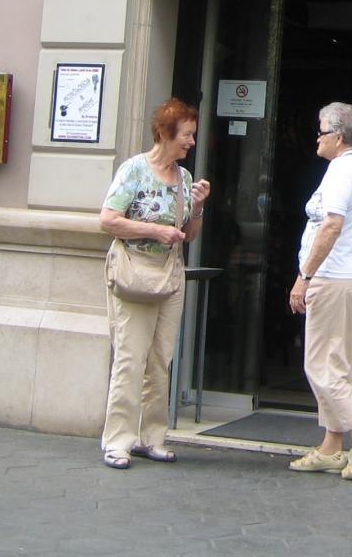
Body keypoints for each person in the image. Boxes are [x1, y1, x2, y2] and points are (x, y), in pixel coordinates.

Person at [98, 98, 211, 470]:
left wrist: (197, 208)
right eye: (187, 134)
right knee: (130, 358)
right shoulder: (134, 169)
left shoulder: (184, 178)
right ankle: (118, 441)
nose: (191, 141)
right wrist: (154, 231)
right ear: (165, 133)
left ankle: (152, 437)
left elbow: (188, 234)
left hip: (170, 274)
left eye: (192, 135)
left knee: (161, 360)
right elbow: (108, 220)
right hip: (135, 272)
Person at [287, 102, 352, 480]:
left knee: (322, 367)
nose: (317, 137)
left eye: (322, 131)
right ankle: (331, 446)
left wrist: (305, 276)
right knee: (339, 366)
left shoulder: (342, 170)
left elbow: (331, 225)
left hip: (336, 278)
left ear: (339, 137)